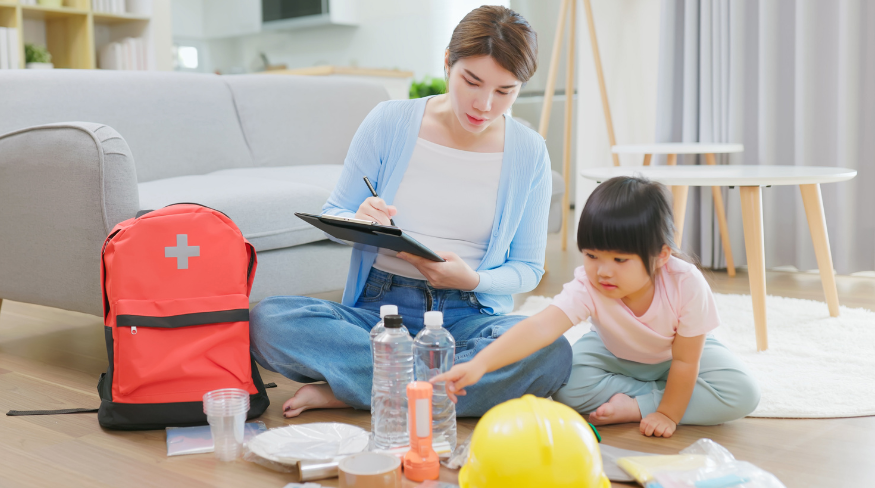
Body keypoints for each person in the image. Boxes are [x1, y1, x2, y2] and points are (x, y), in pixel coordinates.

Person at [249, 6, 571, 419]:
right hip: (379, 312)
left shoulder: (529, 151)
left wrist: (473, 278)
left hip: (468, 315)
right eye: (471, 81)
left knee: (552, 350)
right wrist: (361, 219)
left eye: (505, 91)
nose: (485, 104)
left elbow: (528, 268)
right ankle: (431, 391)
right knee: (269, 321)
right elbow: (335, 216)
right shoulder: (390, 122)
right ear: (447, 63)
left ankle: (362, 389)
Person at [432, 176, 761, 437]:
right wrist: (480, 365)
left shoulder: (685, 283)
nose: (603, 271)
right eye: (592, 256)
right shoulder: (589, 284)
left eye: (620, 259)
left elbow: (687, 362)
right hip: (613, 354)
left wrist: (664, 413)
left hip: (677, 354)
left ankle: (638, 404)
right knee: (566, 391)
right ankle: (660, 394)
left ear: (661, 256)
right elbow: (540, 326)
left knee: (743, 393)